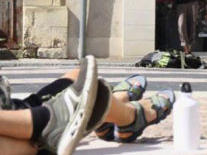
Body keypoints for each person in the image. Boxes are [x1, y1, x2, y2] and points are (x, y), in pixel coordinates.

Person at [0, 56, 175, 155]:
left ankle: (103, 114)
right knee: (89, 91)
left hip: (12, 112)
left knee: (78, 78)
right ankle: (128, 117)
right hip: (19, 135)